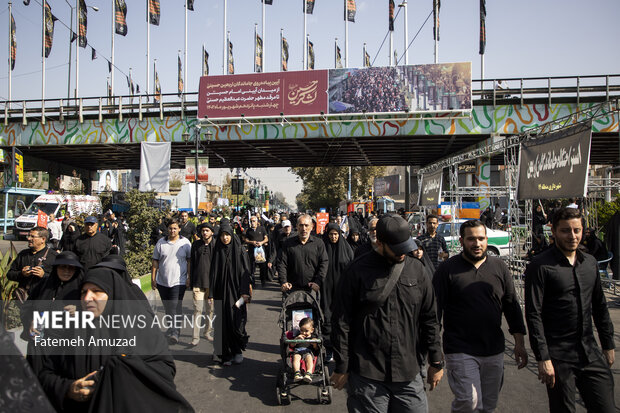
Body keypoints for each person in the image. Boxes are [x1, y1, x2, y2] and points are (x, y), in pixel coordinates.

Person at [37, 266, 193, 413]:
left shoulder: (140, 328)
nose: (87, 298)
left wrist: (121, 370)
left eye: (96, 291)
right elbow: (46, 375)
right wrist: (69, 389)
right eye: (83, 292)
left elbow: (164, 370)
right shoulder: (73, 331)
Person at [331, 215, 444, 412]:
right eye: (396, 248)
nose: (403, 253)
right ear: (380, 242)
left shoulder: (417, 270)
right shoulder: (356, 271)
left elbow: (430, 318)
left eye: (405, 246)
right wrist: (342, 366)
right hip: (367, 374)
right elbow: (341, 321)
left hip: (409, 372)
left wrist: (436, 360)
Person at [525, 207, 616, 413]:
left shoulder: (589, 263)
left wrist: (608, 343)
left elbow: (600, 306)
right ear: (554, 231)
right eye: (566, 230)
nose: (572, 236)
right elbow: (534, 314)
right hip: (558, 357)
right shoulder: (540, 266)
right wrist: (543, 358)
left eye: (577, 230)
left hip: (589, 352)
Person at [433, 219, 528, 413]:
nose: (477, 244)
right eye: (471, 239)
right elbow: (434, 312)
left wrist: (519, 342)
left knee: (488, 405)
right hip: (459, 348)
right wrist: (434, 349)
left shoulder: (500, 268)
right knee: (469, 402)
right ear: (461, 241)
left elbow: (511, 306)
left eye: (481, 238)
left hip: (493, 349)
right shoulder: (447, 269)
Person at [20, 251, 83, 373]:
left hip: (63, 347)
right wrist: (30, 322)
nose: (66, 271)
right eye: (63, 267)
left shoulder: (81, 290)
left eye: (71, 268)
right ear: (56, 268)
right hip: (38, 345)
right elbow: (27, 307)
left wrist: (80, 310)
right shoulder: (44, 285)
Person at [209, 223, 252, 366]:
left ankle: (237, 351)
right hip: (221, 293)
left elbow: (245, 273)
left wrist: (245, 293)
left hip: (236, 293)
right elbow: (213, 273)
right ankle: (225, 354)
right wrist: (211, 293)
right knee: (222, 324)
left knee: (236, 323)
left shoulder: (239, 251)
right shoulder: (217, 251)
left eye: (227, 235)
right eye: (222, 235)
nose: (225, 238)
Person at [152, 219, 192, 345]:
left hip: (179, 281)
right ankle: (171, 328)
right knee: (168, 307)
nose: (172, 230)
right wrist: (153, 278)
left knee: (174, 306)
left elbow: (189, 261)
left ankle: (175, 332)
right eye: (170, 228)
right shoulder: (161, 242)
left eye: (175, 228)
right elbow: (155, 261)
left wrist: (189, 277)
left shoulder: (185, 243)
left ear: (179, 229)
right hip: (163, 281)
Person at [321, 223, 354, 361]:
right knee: (327, 318)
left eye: (336, 234)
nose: (333, 237)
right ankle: (329, 348)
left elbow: (352, 268)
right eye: (331, 234)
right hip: (326, 289)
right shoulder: (322, 248)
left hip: (342, 290)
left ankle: (341, 350)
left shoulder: (347, 249)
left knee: (342, 320)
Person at [278, 215, 328, 294]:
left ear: (312, 227)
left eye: (306, 225)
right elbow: (282, 263)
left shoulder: (318, 243)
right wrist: (283, 282)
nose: (303, 229)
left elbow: (324, 263)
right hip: (292, 288)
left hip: (312, 288)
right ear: (297, 226)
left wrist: (318, 282)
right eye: (301, 225)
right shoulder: (288, 243)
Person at [8, 227, 58, 299]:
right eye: (28, 236)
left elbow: (59, 281)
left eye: (32, 236)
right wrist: (22, 274)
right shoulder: (23, 254)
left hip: (43, 301)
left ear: (43, 239)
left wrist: (44, 275)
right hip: (24, 300)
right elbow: (10, 274)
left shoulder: (54, 256)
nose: (28, 239)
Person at [188, 223, 216, 346]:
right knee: (197, 310)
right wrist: (189, 278)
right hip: (198, 283)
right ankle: (195, 337)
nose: (205, 233)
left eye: (207, 230)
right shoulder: (196, 245)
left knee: (210, 310)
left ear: (212, 232)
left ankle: (207, 332)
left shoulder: (216, 245)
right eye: (203, 230)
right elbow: (191, 262)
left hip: (211, 285)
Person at [243, 216, 269, 287]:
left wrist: (261, 242)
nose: (252, 222)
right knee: (252, 268)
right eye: (251, 221)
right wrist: (252, 242)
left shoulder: (262, 229)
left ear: (257, 222)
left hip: (261, 252)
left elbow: (266, 238)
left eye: (254, 221)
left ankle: (263, 281)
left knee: (262, 267)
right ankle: (252, 282)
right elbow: (246, 240)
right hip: (252, 251)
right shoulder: (248, 230)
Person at [291, 317, 319, 383]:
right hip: (298, 350)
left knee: (309, 358)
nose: (303, 333)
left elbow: (316, 348)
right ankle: (297, 373)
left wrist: (314, 343)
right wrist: (296, 340)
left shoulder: (313, 337)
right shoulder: (298, 335)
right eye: (301, 330)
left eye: (306, 331)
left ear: (312, 330)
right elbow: (292, 345)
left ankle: (309, 373)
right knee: (296, 357)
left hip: (308, 351)